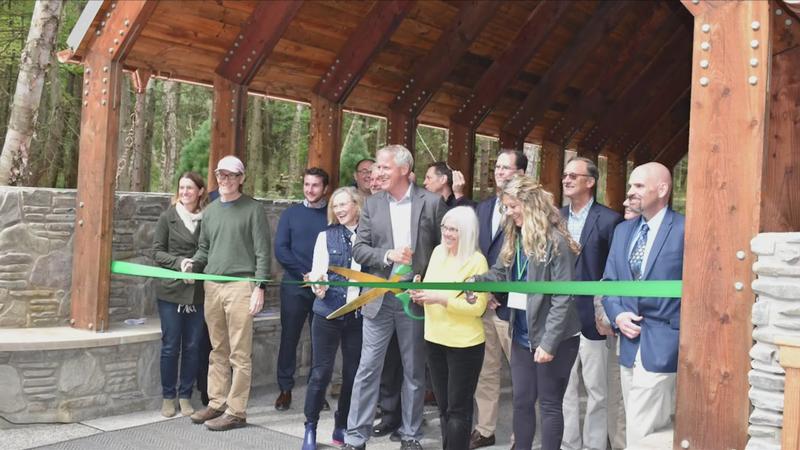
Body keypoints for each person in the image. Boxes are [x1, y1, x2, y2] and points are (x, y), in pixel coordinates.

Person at [343, 144, 447, 450]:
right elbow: (358, 249)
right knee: (367, 369)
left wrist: (428, 282)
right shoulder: (372, 204)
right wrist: (387, 254)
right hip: (378, 298)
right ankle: (355, 437)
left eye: (384, 167)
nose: (377, 173)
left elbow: (444, 250)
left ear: (403, 169)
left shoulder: (431, 203)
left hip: (414, 300)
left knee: (414, 371)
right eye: (377, 167)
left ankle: (411, 435)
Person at [471, 175, 581, 450]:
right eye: (506, 207)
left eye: (512, 206)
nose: (508, 212)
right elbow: (500, 273)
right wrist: (474, 282)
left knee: (549, 404)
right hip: (521, 334)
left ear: (530, 204)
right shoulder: (515, 238)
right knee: (521, 401)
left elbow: (563, 296)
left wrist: (549, 343)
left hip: (554, 339)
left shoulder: (556, 242)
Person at [183, 155, 270, 431]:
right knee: (217, 349)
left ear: (241, 178)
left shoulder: (253, 209)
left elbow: (262, 252)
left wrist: (260, 287)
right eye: (221, 175)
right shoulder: (210, 211)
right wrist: (192, 263)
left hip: (241, 286)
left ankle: (237, 411)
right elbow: (205, 249)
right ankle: (217, 402)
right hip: (212, 285)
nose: (225, 180)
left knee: (240, 354)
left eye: (231, 175)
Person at [602, 162, 684, 446]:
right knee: (638, 423)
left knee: (646, 428)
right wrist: (618, 315)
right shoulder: (623, 231)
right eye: (631, 186)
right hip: (627, 344)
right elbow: (609, 283)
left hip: (663, 344)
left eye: (638, 186)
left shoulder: (685, 229)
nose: (630, 192)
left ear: (662, 189)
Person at [409, 206, 489, 450]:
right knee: (444, 408)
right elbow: (432, 291)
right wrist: (419, 294)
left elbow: (477, 307)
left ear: (466, 232)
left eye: (453, 229)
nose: (446, 233)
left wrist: (441, 299)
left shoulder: (477, 262)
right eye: (444, 227)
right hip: (434, 338)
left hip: (464, 344)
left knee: (458, 410)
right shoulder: (437, 252)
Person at [559, 157, 622, 450]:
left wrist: (605, 311)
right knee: (564, 388)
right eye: (565, 175)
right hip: (559, 317)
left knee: (597, 390)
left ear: (590, 182)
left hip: (593, 319)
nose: (567, 179)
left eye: (574, 175)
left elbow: (614, 271)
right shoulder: (555, 218)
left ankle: (595, 445)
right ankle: (569, 444)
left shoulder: (610, 221)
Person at [301, 187, 366, 449]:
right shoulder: (325, 236)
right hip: (326, 313)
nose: (338, 210)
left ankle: (342, 424)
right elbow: (318, 271)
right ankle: (310, 426)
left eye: (343, 205)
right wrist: (318, 285)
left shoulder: (369, 237)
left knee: (352, 374)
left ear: (356, 204)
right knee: (321, 373)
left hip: (358, 315)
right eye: (335, 206)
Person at [470, 149, 527, 449]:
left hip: (512, 308)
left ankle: (521, 435)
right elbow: (475, 252)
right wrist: (485, 291)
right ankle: (485, 429)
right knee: (485, 371)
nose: (500, 173)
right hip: (484, 304)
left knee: (520, 377)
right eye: (498, 167)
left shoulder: (528, 212)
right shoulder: (482, 208)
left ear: (520, 173)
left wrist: (498, 292)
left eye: (507, 168)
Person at [152, 171, 208, 418]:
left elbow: (210, 251)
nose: (185, 192)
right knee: (171, 346)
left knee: (194, 346)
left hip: (197, 293)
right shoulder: (168, 217)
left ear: (200, 192)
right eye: (182, 188)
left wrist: (195, 266)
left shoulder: (209, 219)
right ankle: (168, 397)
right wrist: (179, 263)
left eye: (190, 188)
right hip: (171, 291)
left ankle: (185, 396)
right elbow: (157, 252)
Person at [274, 167, 331, 411]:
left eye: (315, 185)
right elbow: (281, 250)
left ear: (325, 188)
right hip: (295, 286)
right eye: (307, 184)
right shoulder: (290, 214)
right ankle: (285, 389)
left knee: (322, 342)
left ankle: (317, 391)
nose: (310, 190)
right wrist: (304, 274)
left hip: (325, 288)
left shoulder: (332, 216)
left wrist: (320, 277)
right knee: (289, 338)